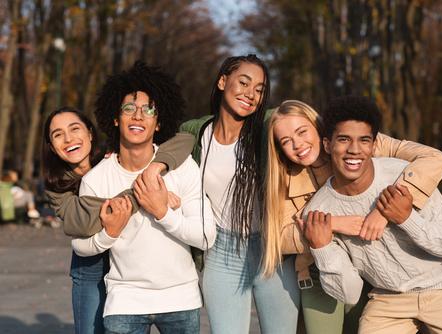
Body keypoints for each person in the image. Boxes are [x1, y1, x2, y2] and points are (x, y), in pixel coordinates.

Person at [263, 100, 442, 333]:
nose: (298, 145)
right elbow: (277, 237)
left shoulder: (360, 142)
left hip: (373, 266)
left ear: (318, 127)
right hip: (319, 267)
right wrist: (333, 224)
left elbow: (434, 159)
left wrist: (385, 211)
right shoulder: (283, 176)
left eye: (302, 132)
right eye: (286, 141)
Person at [301, 96, 442, 334]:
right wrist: (322, 249)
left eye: (364, 140)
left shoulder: (404, 175)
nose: (354, 150)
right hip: (390, 297)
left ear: (374, 145)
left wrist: (407, 219)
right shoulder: (320, 210)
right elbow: (350, 293)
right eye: (343, 140)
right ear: (327, 145)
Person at [70, 61, 216, 334]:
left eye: (148, 110)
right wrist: (108, 234)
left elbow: (207, 236)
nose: (138, 116)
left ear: (158, 122)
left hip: (180, 300)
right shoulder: (96, 179)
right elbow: (80, 245)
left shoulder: (183, 166)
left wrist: (163, 212)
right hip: (124, 302)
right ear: (116, 118)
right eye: (129, 108)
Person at [41, 104, 194, 334]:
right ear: (52, 147)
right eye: (58, 135)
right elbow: (78, 221)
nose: (68, 138)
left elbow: (184, 141)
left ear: (90, 133)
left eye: (75, 129)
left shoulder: (116, 153)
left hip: (131, 265)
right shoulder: (56, 184)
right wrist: (146, 193)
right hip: (91, 266)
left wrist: (155, 168)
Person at [180, 54, 300, 333]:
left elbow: (304, 129)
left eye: (259, 89)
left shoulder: (267, 128)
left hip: (273, 251)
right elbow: (163, 152)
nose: (251, 94)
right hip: (222, 252)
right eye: (244, 83)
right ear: (223, 82)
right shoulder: (196, 132)